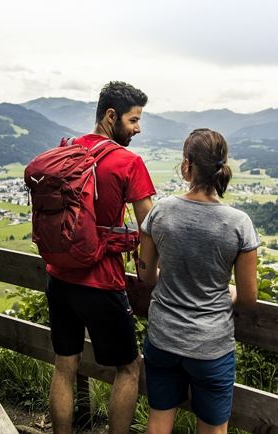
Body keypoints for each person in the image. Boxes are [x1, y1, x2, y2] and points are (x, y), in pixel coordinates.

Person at [45, 81, 156, 434]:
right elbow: (151, 227)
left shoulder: (67, 149)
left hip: (59, 276)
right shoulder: (129, 162)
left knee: (65, 365)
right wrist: (150, 268)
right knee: (128, 369)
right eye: (134, 120)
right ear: (111, 115)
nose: (138, 129)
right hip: (101, 281)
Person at [138, 128, 260, 434]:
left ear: (186, 165)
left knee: (158, 421)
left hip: (163, 338)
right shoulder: (238, 223)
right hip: (210, 347)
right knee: (213, 429)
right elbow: (248, 298)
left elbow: (145, 275)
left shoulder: (161, 212)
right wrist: (227, 292)